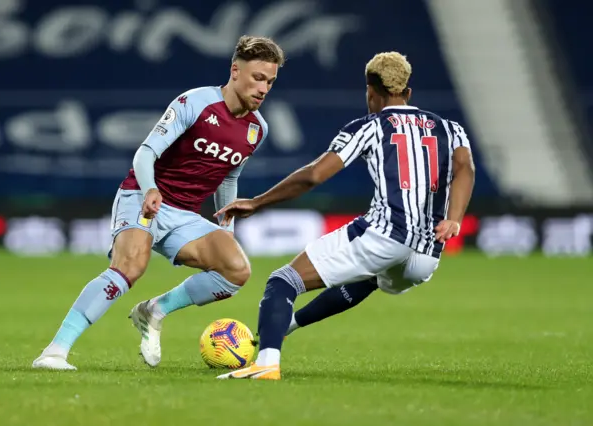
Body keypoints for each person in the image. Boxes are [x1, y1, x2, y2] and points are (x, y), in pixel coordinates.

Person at [214, 51, 475, 380]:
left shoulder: (369, 127)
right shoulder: (449, 128)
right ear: (407, 93)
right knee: (369, 278)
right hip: (426, 255)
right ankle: (284, 326)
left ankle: (266, 363)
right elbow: (465, 168)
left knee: (282, 281)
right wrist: (454, 218)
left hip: (384, 234)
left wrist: (258, 202)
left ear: (370, 90)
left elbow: (314, 175)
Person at [32, 35, 285, 371]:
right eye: (257, 78)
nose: (263, 88)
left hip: (185, 214)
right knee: (130, 267)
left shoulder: (257, 129)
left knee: (236, 270)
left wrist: (227, 226)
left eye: (270, 81)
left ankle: (155, 310)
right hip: (143, 194)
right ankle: (54, 352)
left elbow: (227, 177)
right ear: (235, 71)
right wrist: (151, 189)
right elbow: (146, 152)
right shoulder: (194, 103)